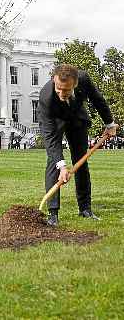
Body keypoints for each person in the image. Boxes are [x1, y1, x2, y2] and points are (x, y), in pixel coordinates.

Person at [38, 64, 118, 226]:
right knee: (53, 163)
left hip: (76, 119)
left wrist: (110, 124)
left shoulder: (83, 79)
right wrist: (62, 166)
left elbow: (97, 100)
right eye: (58, 88)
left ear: (75, 84)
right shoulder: (46, 96)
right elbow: (49, 135)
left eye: (66, 90)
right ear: (54, 80)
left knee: (81, 161)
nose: (61, 93)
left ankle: (85, 209)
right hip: (56, 120)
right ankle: (53, 213)